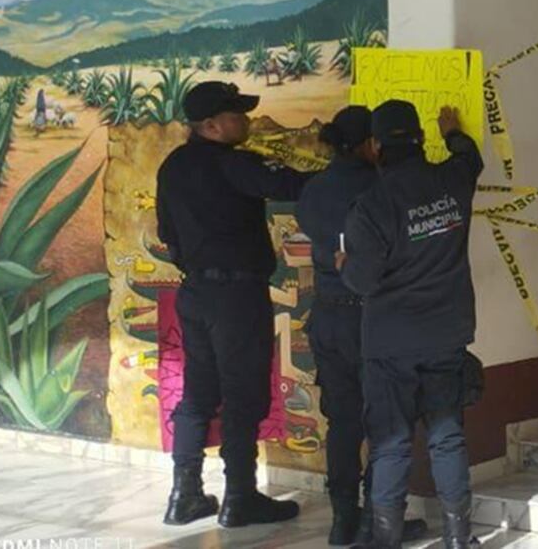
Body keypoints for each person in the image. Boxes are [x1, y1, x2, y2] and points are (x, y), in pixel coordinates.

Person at [156, 81, 316, 528]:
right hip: (236, 298)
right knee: (243, 394)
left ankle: (184, 495)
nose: (246, 121)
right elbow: (292, 184)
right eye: (237, 115)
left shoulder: (172, 167)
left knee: (198, 395)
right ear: (210, 125)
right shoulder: (234, 164)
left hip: (195, 294)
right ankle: (240, 497)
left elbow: (168, 233)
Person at [339, 100, 483, 549]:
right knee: (447, 437)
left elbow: (362, 281)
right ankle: (459, 539)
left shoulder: (372, 205)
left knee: (391, 444)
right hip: (446, 333)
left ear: (376, 145)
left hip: (391, 344)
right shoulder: (452, 181)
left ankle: (386, 539)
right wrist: (452, 131)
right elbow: (470, 158)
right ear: (420, 139)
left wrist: (343, 263)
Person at [295, 106, 427, 545]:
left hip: (327, 315)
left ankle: (341, 521)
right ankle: (377, 519)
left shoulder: (313, 190)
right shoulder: (381, 187)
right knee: (384, 423)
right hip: (372, 317)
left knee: (343, 421)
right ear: (372, 143)